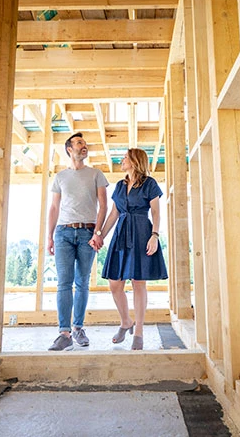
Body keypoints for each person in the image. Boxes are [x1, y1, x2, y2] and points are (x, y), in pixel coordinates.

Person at [96, 148, 168, 350]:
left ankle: (138, 331)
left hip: (142, 233)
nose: (122, 160)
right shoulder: (119, 185)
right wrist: (100, 235)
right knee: (114, 283)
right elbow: (113, 214)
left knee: (138, 282)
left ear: (135, 162)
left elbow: (156, 213)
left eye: (126, 157)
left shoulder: (150, 184)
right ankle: (126, 321)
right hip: (121, 235)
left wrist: (154, 235)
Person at [47, 132, 109, 351]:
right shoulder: (60, 177)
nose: (84, 147)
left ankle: (78, 328)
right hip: (63, 233)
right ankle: (64, 333)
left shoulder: (96, 174)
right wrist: (50, 236)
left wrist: (98, 232)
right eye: (79, 144)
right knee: (64, 282)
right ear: (69, 149)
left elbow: (104, 205)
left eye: (85, 144)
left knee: (82, 282)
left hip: (87, 233)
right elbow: (54, 208)